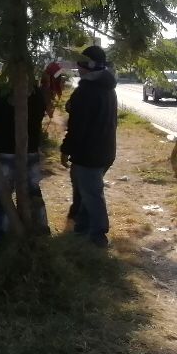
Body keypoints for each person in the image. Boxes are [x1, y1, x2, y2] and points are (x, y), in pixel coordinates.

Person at [0, 80, 50, 252]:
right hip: (30, 152)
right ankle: (40, 232)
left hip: (4, 153)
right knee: (33, 194)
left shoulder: (2, 90)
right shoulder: (36, 92)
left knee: (2, 198)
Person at [60, 45, 118, 248]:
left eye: (82, 63)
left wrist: (65, 149)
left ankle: (98, 235)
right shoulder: (108, 87)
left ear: (90, 65)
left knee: (91, 193)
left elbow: (78, 127)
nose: (79, 68)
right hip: (106, 151)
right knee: (84, 189)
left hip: (88, 153)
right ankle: (82, 226)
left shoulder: (85, 91)